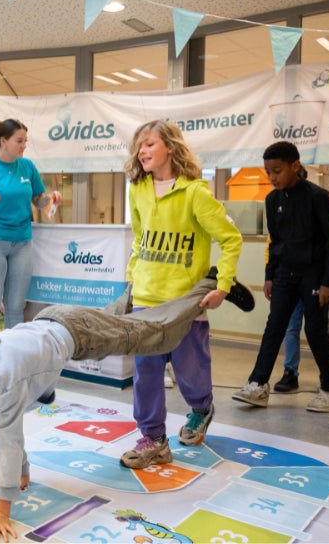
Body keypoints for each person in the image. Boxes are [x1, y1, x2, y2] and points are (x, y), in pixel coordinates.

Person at [0, 275, 253, 542]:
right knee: (116, 320)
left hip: (77, 333)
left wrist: (3, 510)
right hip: (57, 323)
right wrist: (21, 473)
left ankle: (208, 284)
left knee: (152, 334)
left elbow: (9, 439)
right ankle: (134, 291)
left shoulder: (4, 378)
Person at [121, 120, 245, 471]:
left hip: (186, 302)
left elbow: (231, 239)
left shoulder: (196, 194)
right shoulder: (138, 190)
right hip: (146, 297)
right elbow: (140, 239)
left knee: (190, 370)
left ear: (170, 148)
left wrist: (223, 285)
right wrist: (132, 282)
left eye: (149, 144)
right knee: (145, 373)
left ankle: (201, 408)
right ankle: (155, 440)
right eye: (139, 146)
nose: (142, 151)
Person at [233, 141, 329, 412]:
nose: (272, 178)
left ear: (295, 166)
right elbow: (276, 242)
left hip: (314, 276)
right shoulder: (272, 201)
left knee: (315, 330)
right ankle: (258, 385)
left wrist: (328, 282)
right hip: (284, 274)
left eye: (277, 171)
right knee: (274, 327)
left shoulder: (318, 197)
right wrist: (269, 276)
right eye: (268, 172)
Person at [0, 118, 61, 333]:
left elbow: (38, 199)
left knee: (16, 307)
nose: (24, 145)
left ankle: (13, 358)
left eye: (25, 140)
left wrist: (51, 199)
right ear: (3, 140)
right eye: (19, 140)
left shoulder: (27, 167)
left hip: (21, 242)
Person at [274, 301, 303, 392]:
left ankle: (326, 377)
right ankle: (290, 373)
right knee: (291, 329)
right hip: (294, 289)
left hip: (315, 289)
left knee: (318, 330)